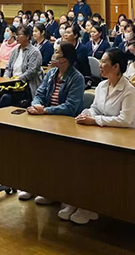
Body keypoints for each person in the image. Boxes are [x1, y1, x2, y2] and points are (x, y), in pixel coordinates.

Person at [64, 48, 135, 224]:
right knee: (78, 156)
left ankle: (91, 206)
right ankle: (76, 200)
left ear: (116, 67)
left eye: (104, 62)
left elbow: (124, 120)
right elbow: (96, 108)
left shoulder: (128, 90)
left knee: (95, 162)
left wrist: (95, 120)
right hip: (107, 133)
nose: (100, 65)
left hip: (129, 139)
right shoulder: (101, 86)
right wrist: (87, 114)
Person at [17, 42, 85, 204]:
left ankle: (51, 191)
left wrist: (45, 111)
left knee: (52, 154)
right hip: (47, 119)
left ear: (64, 59)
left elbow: (70, 107)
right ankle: (32, 185)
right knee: (31, 148)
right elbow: (39, 93)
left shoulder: (77, 78)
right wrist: (36, 105)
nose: (53, 56)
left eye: (57, 54)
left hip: (66, 124)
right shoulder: (52, 73)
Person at [1, 26, 44, 108]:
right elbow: (8, 68)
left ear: (27, 36)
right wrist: (6, 79)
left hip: (27, 87)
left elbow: (31, 71)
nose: (17, 37)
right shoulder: (14, 50)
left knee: (8, 99)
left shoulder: (34, 52)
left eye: (19, 35)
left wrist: (17, 79)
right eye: (16, 35)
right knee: (3, 97)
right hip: (13, 85)